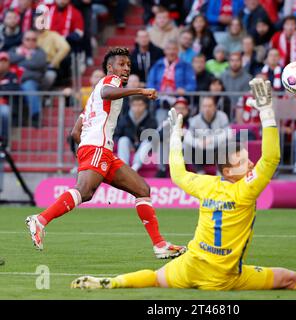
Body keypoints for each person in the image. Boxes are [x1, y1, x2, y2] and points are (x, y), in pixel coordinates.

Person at [71, 79, 296, 292]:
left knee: (154, 278)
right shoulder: (246, 191)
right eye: (244, 159)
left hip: (191, 266)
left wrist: (176, 135)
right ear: (230, 169)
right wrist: (266, 111)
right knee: (289, 279)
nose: (250, 162)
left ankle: (109, 282)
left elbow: (178, 173)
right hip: (226, 277)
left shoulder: (207, 185)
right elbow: (272, 157)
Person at [25, 47, 186, 259]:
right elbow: (108, 93)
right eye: (121, 64)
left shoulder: (92, 99)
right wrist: (140, 91)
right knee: (84, 190)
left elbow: (75, 132)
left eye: (128, 65)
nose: (126, 69)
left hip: (100, 149)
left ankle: (160, 244)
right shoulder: (110, 82)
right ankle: (40, 219)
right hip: (98, 147)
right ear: (110, 68)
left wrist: (84, 151)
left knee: (142, 189)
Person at [147, 40, 196, 125]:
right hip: (161, 102)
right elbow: (150, 82)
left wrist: (185, 90)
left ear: (178, 51)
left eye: (174, 49)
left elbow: (192, 84)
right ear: (165, 51)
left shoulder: (185, 65)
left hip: (179, 102)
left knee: (178, 126)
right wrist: (154, 91)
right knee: (161, 126)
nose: (171, 52)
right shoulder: (157, 65)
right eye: (169, 49)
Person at [8, 30, 47, 127]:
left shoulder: (40, 52)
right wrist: (26, 56)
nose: (31, 42)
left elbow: (38, 63)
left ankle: (35, 117)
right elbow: (9, 58)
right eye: (28, 39)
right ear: (22, 40)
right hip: (13, 81)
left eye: (34, 40)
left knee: (28, 86)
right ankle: (14, 119)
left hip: (31, 81)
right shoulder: (14, 49)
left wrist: (19, 61)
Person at [184, 96, 231, 174]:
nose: (207, 109)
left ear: (215, 107)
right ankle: (200, 173)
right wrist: (198, 143)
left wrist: (211, 139)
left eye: (210, 106)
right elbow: (187, 137)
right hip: (202, 152)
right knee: (187, 146)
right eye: (204, 106)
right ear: (201, 108)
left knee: (228, 145)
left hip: (217, 150)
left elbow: (229, 134)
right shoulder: (195, 120)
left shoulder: (222, 116)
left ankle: (220, 174)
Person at [115, 95, 158, 172]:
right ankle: (124, 168)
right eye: (134, 105)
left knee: (148, 141)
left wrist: (138, 144)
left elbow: (154, 137)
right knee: (123, 140)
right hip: (129, 145)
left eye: (140, 105)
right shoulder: (125, 119)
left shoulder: (151, 120)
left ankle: (135, 167)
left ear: (145, 106)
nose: (137, 108)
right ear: (130, 106)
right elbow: (116, 136)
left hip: (143, 147)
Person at [0, 51, 19, 147]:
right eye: (0, 61)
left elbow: (13, 89)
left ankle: (3, 142)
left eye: (5, 61)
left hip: (5, 104)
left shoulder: (12, 75)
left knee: (4, 113)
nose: (2, 64)